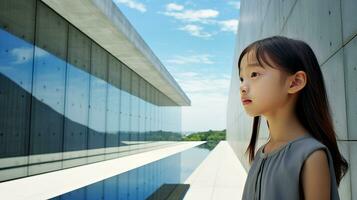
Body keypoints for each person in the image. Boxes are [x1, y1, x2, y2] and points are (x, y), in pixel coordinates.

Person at [238, 36, 349, 200]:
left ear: (295, 82)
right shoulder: (262, 153)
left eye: (254, 74)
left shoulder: (311, 155)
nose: (243, 87)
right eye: (242, 78)